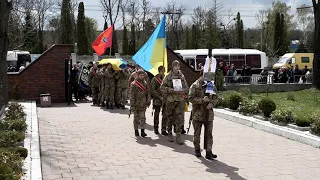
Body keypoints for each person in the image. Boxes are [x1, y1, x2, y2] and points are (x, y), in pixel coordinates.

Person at [189, 70, 218, 160]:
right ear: (201, 75)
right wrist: (202, 100)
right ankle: (197, 150)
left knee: (209, 134)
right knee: (197, 133)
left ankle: (209, 151)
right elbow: (190, 98)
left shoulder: (211, 85)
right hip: (198, 114)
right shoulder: (195, 85)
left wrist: (212, 104)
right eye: (205, 75)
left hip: (208, 114)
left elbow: (216, 97)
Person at [161, 60, 189, 145]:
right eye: (175, 66)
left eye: (178, 66)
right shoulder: (168, 76)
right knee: (170, 117)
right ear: (172, 67)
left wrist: (182, 91)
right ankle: (169, 132)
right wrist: (171, 90)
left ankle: (178, 135)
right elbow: (162, 87)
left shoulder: (182, 76)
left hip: (180, 100)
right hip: (171, 100)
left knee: (179, 117)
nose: (177, 68)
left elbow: (186, 88)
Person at [130, 69, 151, 137]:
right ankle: (136, 130)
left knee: (143, 117)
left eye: (143, 75)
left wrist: (148, 101)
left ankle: (142, 131)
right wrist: (132, 104)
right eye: (140, 75)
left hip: (143, 103)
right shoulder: (134, 84)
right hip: (136, 104)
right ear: (137, 75)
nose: (142, 76)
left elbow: (148, 92)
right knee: (136, 118)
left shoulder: (145, 83)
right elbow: (131, 95)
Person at [150, 66, 167, 135]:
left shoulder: (166, 79)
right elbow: (152, 90)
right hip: (157, 99)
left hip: (165, 99)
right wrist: (160, 97)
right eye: (162, 71)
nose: (163, 72)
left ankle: (163, 129)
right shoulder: (154, 79)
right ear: (159, 71)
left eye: (164, 71)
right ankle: (156, 128)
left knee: (165, 115)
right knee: (156, 114)